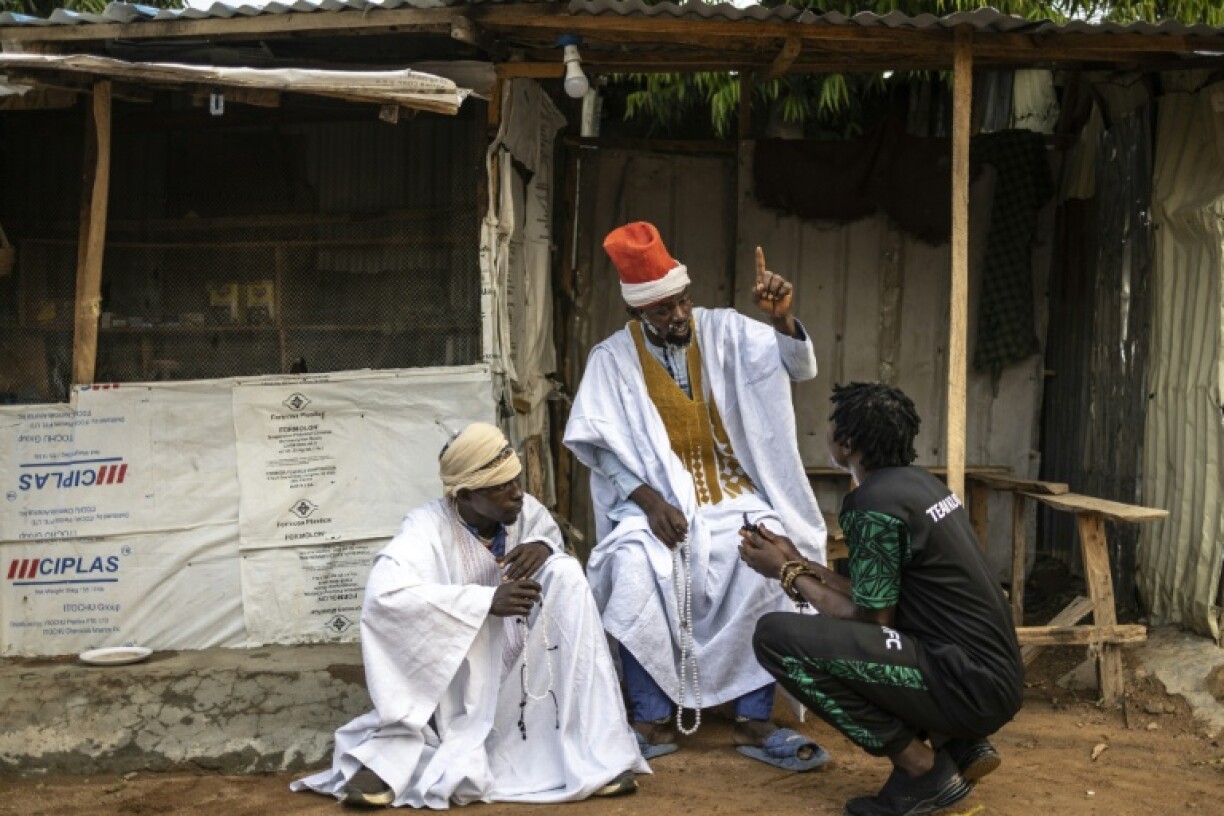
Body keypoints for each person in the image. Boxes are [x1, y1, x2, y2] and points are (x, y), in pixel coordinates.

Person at [563, 221, 829, 771]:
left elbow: (800, 367)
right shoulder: (611, 359)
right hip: (655, 504)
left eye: (683, 301)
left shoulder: (725, 330)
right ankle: (650, 719)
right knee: (632, 567)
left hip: (734, 495)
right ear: (638, 311)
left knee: (772, 561)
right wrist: (649, 502)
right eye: (664, 310)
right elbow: (597, 446)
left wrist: (781, 320)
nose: (680, 315)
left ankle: (754, 718)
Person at [293, 422, 648, 809]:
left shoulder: (525, 512)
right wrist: (484, 602)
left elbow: (548, 539)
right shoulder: (424, 528)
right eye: (501, 487)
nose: (518, 493)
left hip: (526, 676)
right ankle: (392, 760)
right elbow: (386, 597)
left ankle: (595, 748)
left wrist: (545, 547)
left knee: (566, 572)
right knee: (425, 742)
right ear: (464, 495)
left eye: (516, 480)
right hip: (460, 684)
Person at [739, 382, 1024, 816]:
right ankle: (955, 742)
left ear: (847, 443)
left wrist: (784, 572)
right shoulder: (920, 485)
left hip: (965, 685)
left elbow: (871, 622)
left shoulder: (872, 503)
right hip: (987, 678)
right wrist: (797, 559)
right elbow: (877, 597)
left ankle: (921, 770)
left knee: (775, 638)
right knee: (850, 639)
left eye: (832, 425)